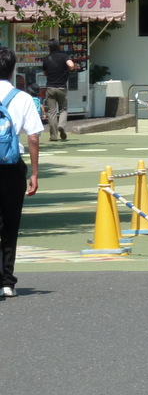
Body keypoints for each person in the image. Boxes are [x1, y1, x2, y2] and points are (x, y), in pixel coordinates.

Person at [1, 46, 42, 299]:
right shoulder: (23, 98)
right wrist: (35, 173)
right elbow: (34, 137)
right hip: (12, 167)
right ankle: (7, 281)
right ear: (13, 69)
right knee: (10, 224)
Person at [41, 39, 74, 142]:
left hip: (50, 87)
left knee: (51, 111)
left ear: (49, 47)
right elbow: (71, 65)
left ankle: (53, 136)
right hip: (61, 87)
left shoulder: (46, 59)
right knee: (63, 109)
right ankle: (62, 126)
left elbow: (45, 73)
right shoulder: (64, 56)